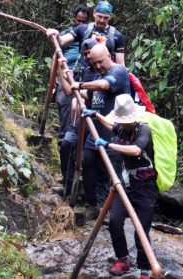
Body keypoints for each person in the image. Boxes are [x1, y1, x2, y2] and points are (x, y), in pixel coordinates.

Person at [82, 94, 157, 279]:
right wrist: (96, 115)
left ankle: (145, 273)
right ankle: (123, 259)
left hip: (145, 186)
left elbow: (135, 151)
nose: (124, 123)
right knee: (115, 220)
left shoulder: (143, 129)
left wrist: (108, 145)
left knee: (141, 229)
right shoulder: (123, 127)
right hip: (125, 182)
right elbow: (111, 126)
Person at [71, 44, 130, 219]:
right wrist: (72, 83)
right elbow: (90, 97)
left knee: (111, 174)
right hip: (94, 135)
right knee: (87, 165)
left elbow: (103, 86)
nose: (97, 66)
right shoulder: (98, 74)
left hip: (113, 136)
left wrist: (80, 84)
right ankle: (92, 206)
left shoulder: (118, 72)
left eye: (100, 62)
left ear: (109, 56)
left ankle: (113, 212)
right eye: (94, 63)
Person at [58, 39, 98, 198]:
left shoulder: (104, 70)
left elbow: (89, 93)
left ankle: (91, 198)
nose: (88, 56)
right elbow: (69, 91)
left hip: (96, 121)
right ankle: (68, 188)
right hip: (79, 120)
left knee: (89, 158)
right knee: (66, 144)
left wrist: (78, 92)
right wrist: (62, 70)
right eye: (85, 53)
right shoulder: (83, 68)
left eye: (91, 53)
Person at [46, 1, 125, 66]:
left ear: (110, 17)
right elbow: (62, 41)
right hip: (84, 75)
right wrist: (56, 35)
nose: (102, 20)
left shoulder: (116, 35)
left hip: (105, 76)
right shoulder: (83, 29)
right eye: (99, 16)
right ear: (94, 13)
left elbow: (120, 64)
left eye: (105, 18)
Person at [55, 5, 90, 141]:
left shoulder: (89, 33)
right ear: (74, 19)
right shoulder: (67, 33)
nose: (80, 24)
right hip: (66, 72)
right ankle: (63, 135)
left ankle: (74, 136)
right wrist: (55, 77)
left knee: (79, 104)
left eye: (84, 21)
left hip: (82, 74)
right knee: (64, 102)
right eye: (78, 20)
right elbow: (57, 53)